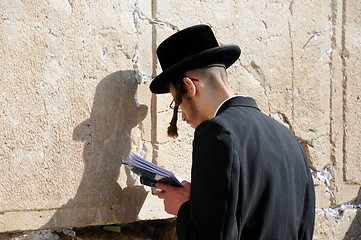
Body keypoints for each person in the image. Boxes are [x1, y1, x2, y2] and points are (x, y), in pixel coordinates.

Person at [149, 24, 315, 240]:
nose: (182, 116)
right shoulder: (288, 139)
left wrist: (183, 208)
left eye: (178, 102)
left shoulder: (217, 134)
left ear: (190, 87)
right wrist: (199, 204)